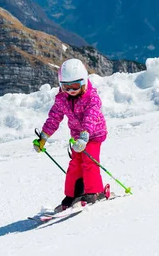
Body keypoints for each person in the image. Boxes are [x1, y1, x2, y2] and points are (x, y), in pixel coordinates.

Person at [33, 58, 108, 210]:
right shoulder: (62, 99)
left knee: (89, 161)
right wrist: (43, 137)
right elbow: (54, 118)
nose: (71, 90)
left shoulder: (92, 98)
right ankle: (73, 194)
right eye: (66, 86)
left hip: (93, 135)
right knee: (74, 165)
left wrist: (85, 136)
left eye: (75, 85)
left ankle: (94, 192)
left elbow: (91, 117)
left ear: (84, 82)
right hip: (77, 137)